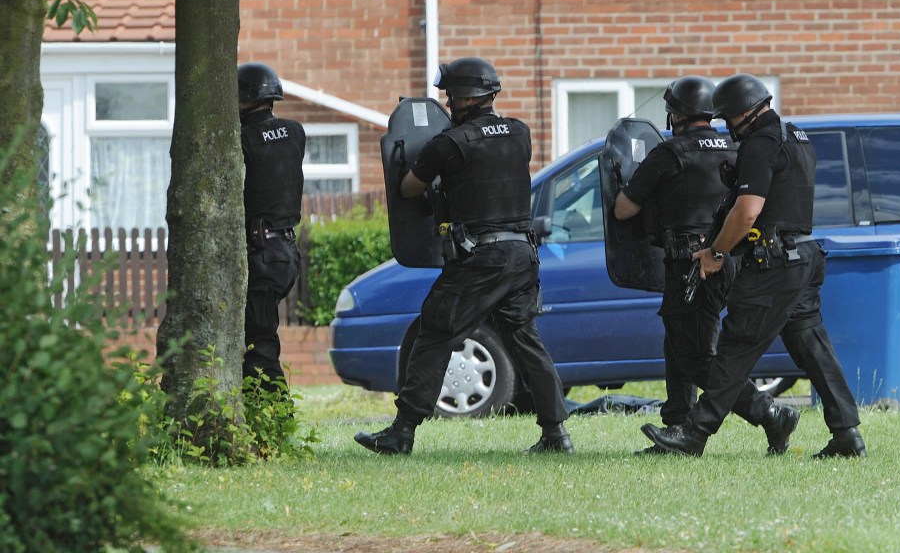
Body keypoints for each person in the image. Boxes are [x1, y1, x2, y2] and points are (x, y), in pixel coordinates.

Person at [640, 73, 866, 458]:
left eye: (728, 119)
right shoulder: (797, 137)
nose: (727, 128)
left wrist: (715, 253)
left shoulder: (761, 144)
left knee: (735, 346)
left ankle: (694, 434)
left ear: (745, 113)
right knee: (814, 349)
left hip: (774, 262)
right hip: (805, 256)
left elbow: (747, 214)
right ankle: (847, 435)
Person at [355, 57, 573, 455]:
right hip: (522, 254)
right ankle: (556, 435)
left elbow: (408, 189)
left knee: (435, 332)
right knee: (525, 339)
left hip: (480, 258)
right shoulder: (519, 133)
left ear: (459, 98)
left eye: (449, 96)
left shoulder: (449, 144)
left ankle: (401, 433)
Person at [614, 75, 799, 455]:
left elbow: (623, 209)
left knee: (696, 356)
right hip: (730, 256)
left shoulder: (671, 152)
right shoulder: (735, 147)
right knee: (678, 343)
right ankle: (678, 425)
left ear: (676, 115)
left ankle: (769, 413)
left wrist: (626, 180)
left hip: (692, 262)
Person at [237, 62, 305, 390]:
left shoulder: (242, 139)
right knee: (258, 338)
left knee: (260, 345)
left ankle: (276, 419)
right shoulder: (295, 132)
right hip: (287, 252)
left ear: (244, 100)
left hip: (262, 253)